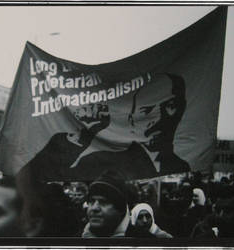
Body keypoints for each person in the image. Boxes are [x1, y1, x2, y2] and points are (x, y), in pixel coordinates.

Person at [21, 72, 190, 183]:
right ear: (131, 119)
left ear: (182, 109)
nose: (160, 117)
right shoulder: (102, 161)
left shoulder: (183, 165)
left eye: (170, 105)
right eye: (147, 110)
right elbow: (40, 173)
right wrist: (85, 134)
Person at [82, 170, 132, 237]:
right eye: (91, 201)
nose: (94, 208)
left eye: (103, 202)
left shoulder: (142, 241)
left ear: (120, 209)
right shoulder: (74, 242)